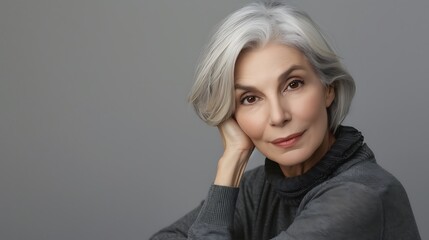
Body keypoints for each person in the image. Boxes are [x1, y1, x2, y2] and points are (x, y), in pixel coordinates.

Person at [150, 1, 421, 239]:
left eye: (293, 84)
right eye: (250, 98)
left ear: (329, 89)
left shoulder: (361, 196)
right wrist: (231, 162)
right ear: (232, 116)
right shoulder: (258, 188)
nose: (278, 116)